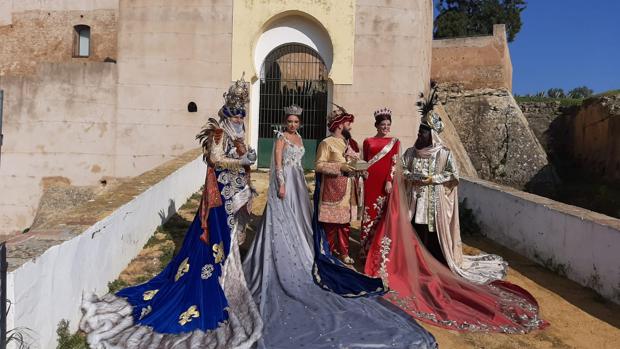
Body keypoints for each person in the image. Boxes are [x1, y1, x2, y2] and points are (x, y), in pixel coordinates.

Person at [79, 77, 263, 349]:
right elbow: (214, 159)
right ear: (228, 112)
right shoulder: (219, 132)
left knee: (233, 233)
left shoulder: (238, 129)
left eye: (241, 113)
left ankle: (230, 271)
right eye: (235, 113)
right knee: (216, 238)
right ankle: (220, 276)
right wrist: (240, 160)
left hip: (234, 191)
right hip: (220, 195)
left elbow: (238, 153)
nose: (239, 118)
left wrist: (247, 157)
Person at [242, 104, 437, 349]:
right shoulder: (300, 140)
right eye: (290, 121)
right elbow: (289, 165)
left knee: (336, 225)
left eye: (295, 122)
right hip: (294, 185)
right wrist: (282, 184)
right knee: (317, 224)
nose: (293, 125)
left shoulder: (338, 142)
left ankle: (337, 251)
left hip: (323, 187)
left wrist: (356, 168)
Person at [402, 110, 507, 284]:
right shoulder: (411, 152)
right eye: (419, 130)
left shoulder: (444, 153)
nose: (419, 133)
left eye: (423, 131)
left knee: (432, 234)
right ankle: (415, 263)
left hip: (434, 203)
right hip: (415, 200)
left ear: (432, 135)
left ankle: (435, 264)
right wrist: (413, 176)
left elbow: (453, 174)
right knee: (415, 230)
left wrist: (433, 179)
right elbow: (402, 169)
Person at [314, 104, 362, 265]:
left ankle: (344, 252)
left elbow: (354, 162)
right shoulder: (326, 143)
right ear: (340, 124)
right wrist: (339, 167)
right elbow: (319, 165)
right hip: (333, 189)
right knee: (331, 225)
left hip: (349, 189)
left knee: (345, 225)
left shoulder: (352, 143)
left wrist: (360, 169)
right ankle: (327, 252)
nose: (350, 126)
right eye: (348, 123)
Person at [360, 107, 400, 266]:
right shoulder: (368, 141)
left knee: (382, 215)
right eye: (383, 124)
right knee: (368, 214)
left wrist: (390, 180)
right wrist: (362, 173)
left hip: (385, 183)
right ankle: (364, 249)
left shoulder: (394, 142)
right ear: (376, 125)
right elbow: (365, 161)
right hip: (370, 180)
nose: (386, 127)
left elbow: (394, 162)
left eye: (388, 124)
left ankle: (380, 250)